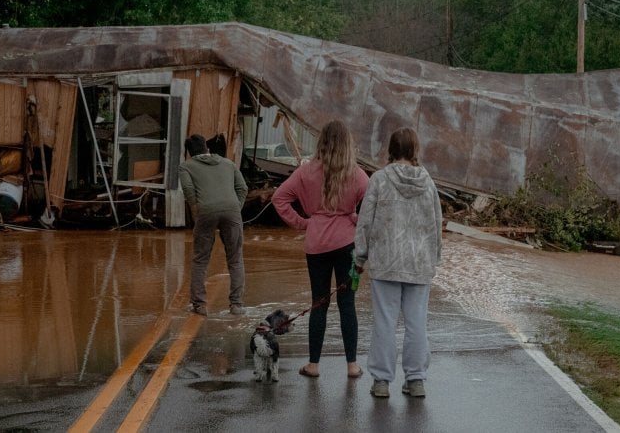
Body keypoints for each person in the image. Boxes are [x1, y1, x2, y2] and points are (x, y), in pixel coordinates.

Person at [272, 120, 369, 379]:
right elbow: (372, 209)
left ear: (321, 141)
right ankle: (352, 366)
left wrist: (303, 223)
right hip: (347, 244)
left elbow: (279, 198)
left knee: (319, 303)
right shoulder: (357, 174)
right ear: (347, 144)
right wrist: (355, 219)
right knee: (347, 304)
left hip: (316, 245)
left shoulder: (306, 172)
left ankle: (313, 365)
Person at [354, 127, 443, 399]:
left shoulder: (379, 180)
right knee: (417, 322)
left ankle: (381, 381)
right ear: (415, 150)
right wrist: (434, 258)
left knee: (385, 322)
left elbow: (365, 221)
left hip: (386, 262)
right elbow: (436, 224)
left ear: (391, 148)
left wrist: (359, 257)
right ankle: (415, 380)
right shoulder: (428, 183)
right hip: (418, 263)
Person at [178, 133, 248, 316]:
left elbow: (188, 190)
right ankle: (236, 305)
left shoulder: (186, 167)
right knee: (235, 259)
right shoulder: (228, 163)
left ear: (189, 153)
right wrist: (235, 208)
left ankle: (200, 305)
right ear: (207, 148)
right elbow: (242, 188)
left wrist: (196, 211)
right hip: (232, 210)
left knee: (200, 260)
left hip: (205, 211)